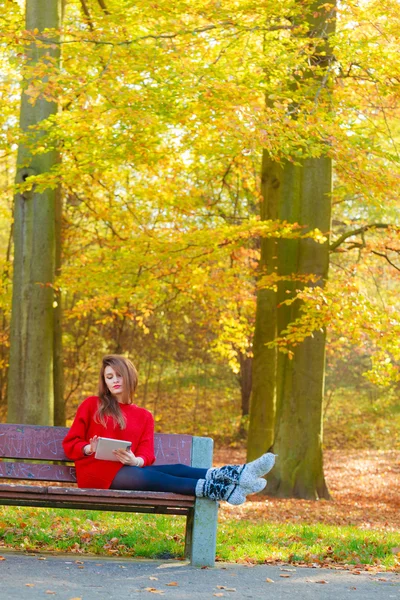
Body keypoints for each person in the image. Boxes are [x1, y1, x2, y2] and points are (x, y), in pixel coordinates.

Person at [63, 355, 276, 505]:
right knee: (159, 478)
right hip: (96, 473)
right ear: (104, 382)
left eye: (118, 375)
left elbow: (147, 453)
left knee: (176, 468)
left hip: (129, 470)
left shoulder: (144, 416)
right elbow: (70, 443)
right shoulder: (92, 404)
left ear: (129, 376)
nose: (115, 381)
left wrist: (134, 460)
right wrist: (89, 448)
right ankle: (227, 483)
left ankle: (232, 477)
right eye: (109, 377)